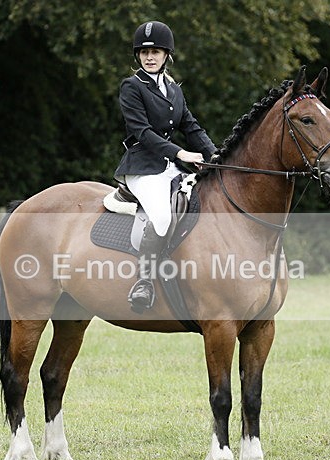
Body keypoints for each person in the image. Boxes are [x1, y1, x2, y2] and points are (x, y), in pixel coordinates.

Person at [113, 20, 216, 313]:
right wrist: (181, 153)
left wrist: (215, 155)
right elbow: (142, 132)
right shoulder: (132, 87)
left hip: (169, 167)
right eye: (144, 52)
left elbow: (191, 126)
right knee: (161, 217)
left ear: (166, 54)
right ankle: (144, 281)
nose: (149, 57)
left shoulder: (173, 89)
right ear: (138, 55)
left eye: (155, 51)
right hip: (142, 167)